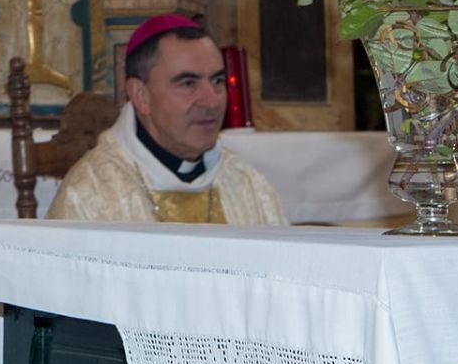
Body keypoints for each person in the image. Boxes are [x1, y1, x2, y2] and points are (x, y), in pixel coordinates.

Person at [47, 16, 285, 225]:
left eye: (217, 82)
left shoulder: (245, 182)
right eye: (188, 84)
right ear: (141, 96)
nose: (211, 102)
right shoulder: (90, 195)